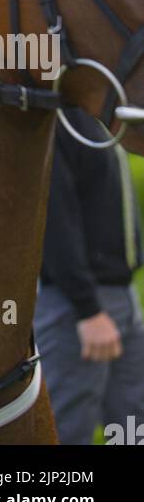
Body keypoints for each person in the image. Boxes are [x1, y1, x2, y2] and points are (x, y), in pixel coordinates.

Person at [35, 106, 144, 444]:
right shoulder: (60, 122)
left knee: (133, 427)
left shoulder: (99, 118)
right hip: (79, 309)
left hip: (121, 299)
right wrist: (88, 311)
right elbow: (55, 226)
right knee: (67, 428)